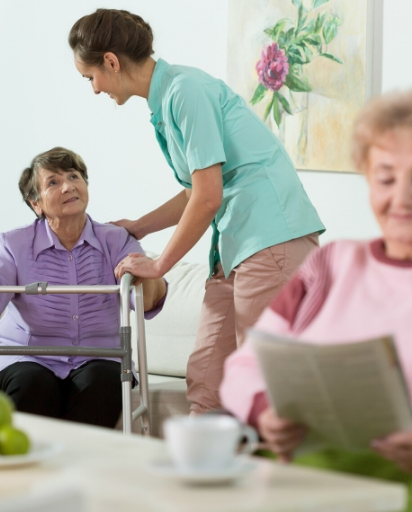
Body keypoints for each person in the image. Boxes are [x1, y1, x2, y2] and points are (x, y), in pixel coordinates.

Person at [68, 8, 325, 414]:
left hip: (272, 238)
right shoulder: (167, 99)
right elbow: (195, 191)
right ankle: (202, 472)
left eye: (91, 77)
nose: (95, 89)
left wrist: (160, 265)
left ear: (111, 62)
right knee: (207, 378)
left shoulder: (185, 91)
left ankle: (281, 475)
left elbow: (208, 196)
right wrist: (140, 227)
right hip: (236, 246)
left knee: (266, 385)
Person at [220, 90, 412, 498]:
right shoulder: (330, 266)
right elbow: (243, 367)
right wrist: (264, 412)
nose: (402, 199)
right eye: (387, 178)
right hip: (300, 483)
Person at [0, 147, 167, 427]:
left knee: (101, 383)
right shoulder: (15, 245)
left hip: (100, 357)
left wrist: (152, 271)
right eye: (53, 182)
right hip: (26, 357)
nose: (68, 186)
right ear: (35, 203)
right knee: (32, 384)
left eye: (74, 176)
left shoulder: (118, 240)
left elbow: (147, 302)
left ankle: (75, 467)